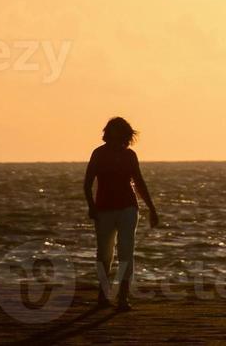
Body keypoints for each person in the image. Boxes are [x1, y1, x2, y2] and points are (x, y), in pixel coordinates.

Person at [83, 117, 159, 310]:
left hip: (128, 207)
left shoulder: (130, 155)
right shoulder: (98, 154)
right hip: (104, 208)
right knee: (104, 253)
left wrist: (151, 208)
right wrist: (91, 207)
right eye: (113, 132)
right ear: (107, 134)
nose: (116, 138)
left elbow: (139, 182)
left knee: (126, 251)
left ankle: (123, 298)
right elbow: (87, 183)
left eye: (120, 133)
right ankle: (103, 294)